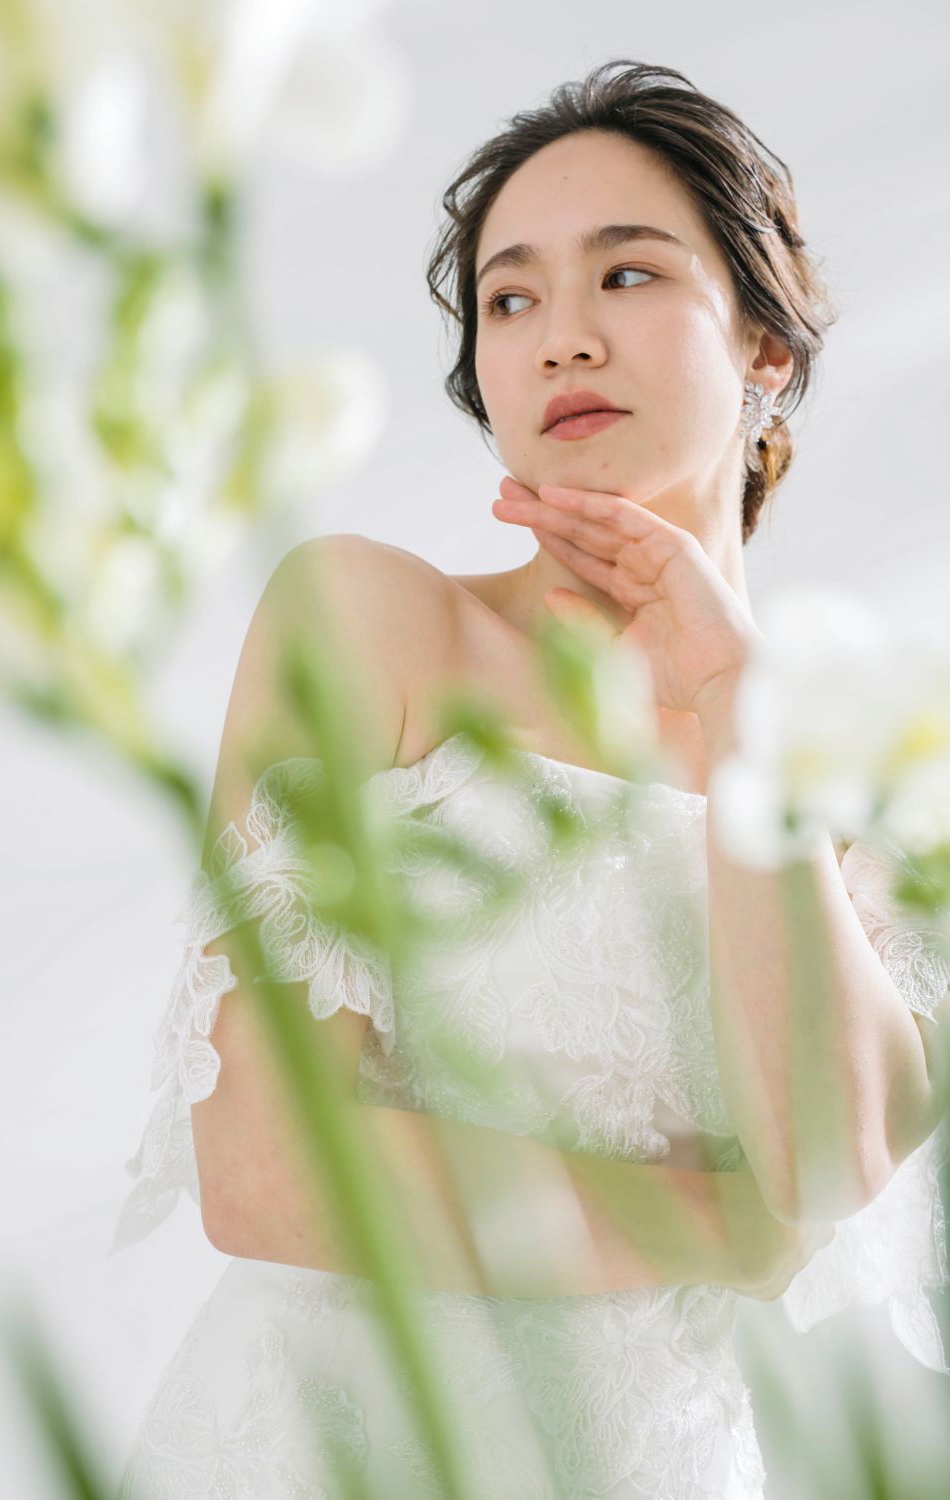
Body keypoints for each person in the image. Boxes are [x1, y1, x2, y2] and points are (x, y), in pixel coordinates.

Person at [111, 60, 950, 1499]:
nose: (562, 338)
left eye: (627, 275)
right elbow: (262, 1173)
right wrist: (722, 1225)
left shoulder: (874, 776)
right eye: (509, 301)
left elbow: (829, 1162)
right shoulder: (367, 618)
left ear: (763, 345)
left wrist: (736, 697)